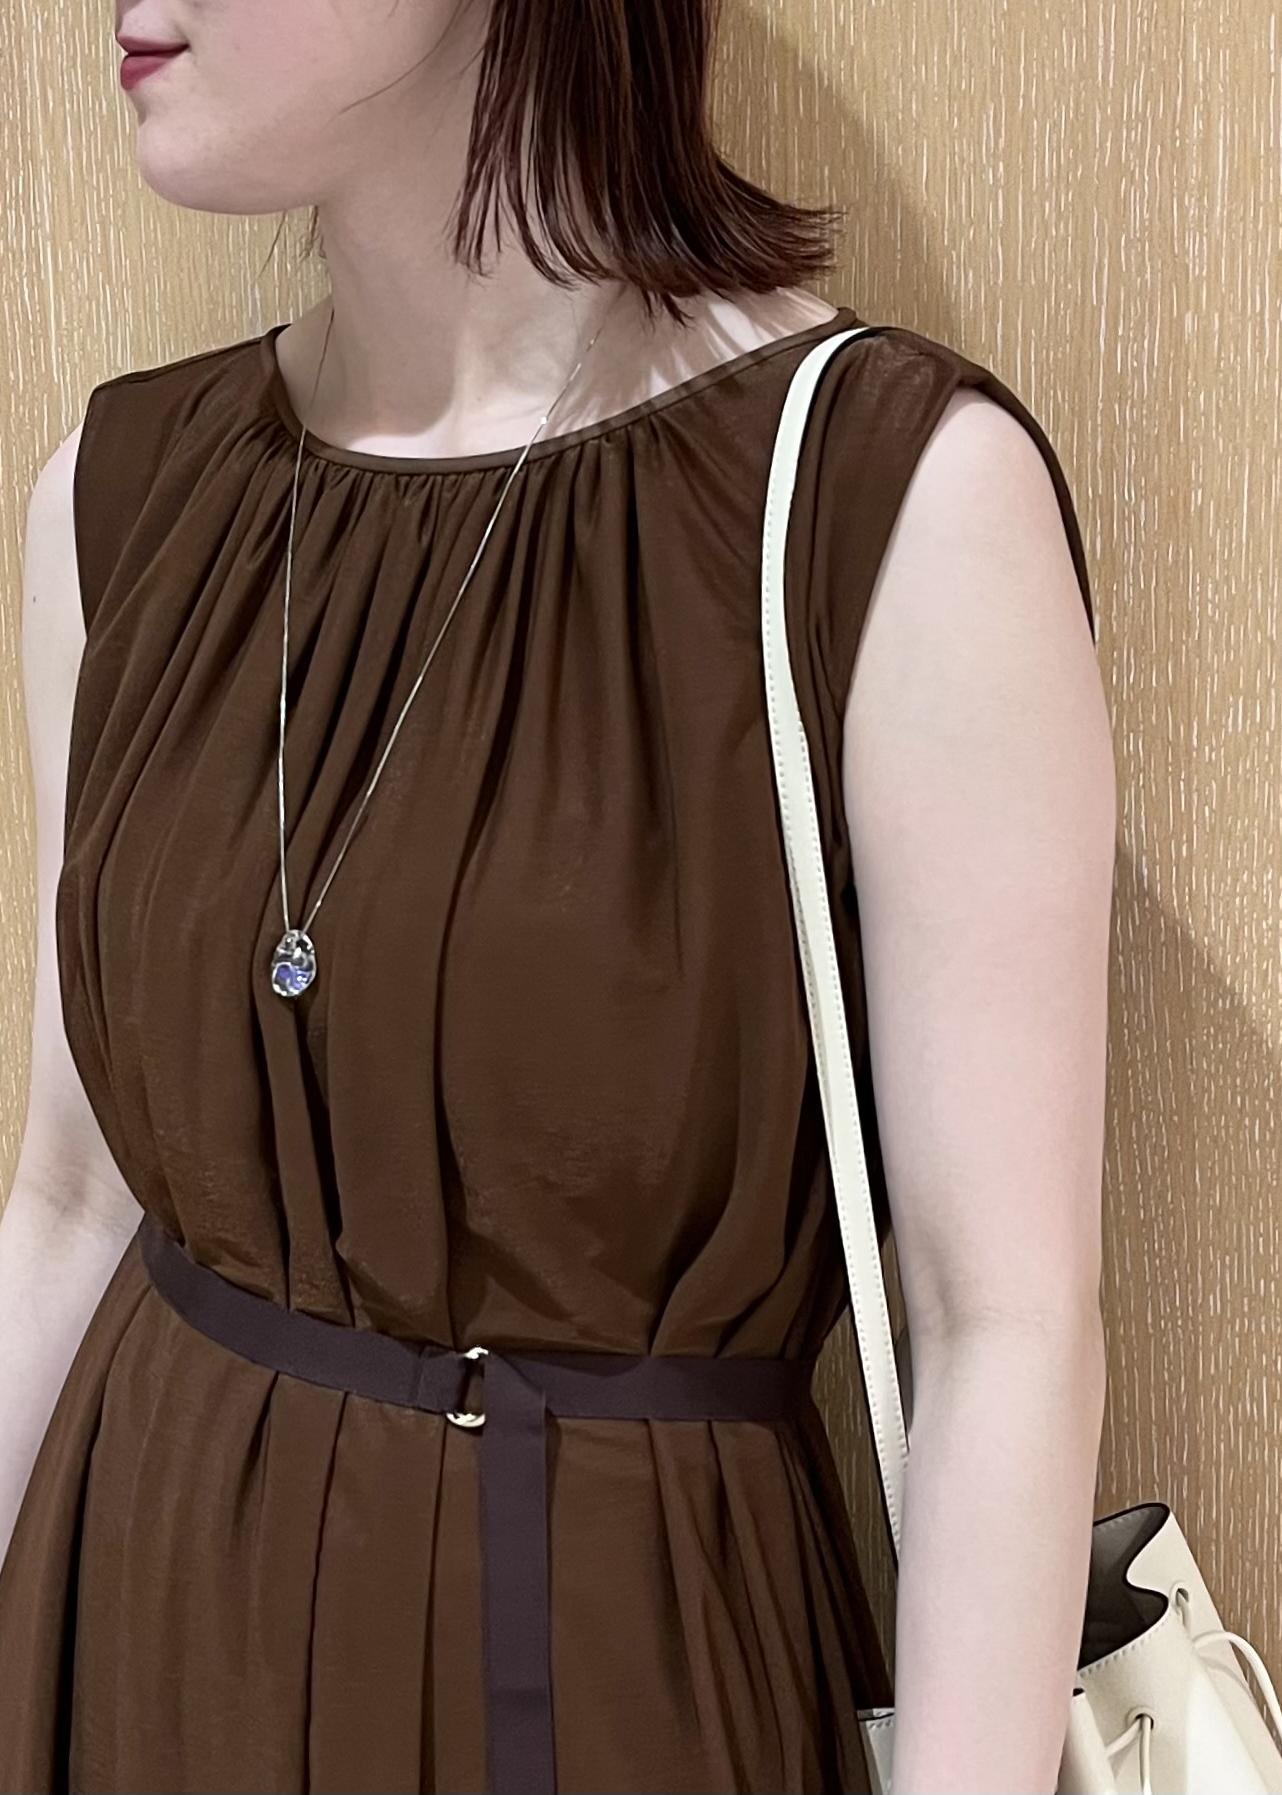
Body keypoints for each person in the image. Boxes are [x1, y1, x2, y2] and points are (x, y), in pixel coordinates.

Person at [0, 2, 1115, 1791]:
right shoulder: (117, 502)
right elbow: (68, 1202)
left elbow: (1002, 1327)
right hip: (135, 1647)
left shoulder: (873, 499)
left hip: (608, 1681)